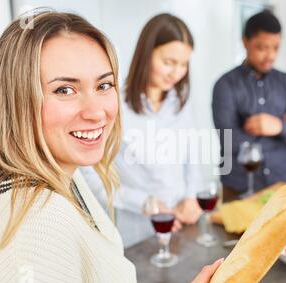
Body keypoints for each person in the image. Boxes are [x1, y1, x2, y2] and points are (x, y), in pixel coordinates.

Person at [0, 11, 261, 283]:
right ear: (17, 100)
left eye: (104, 85)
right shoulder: (36, 229)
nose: (96, 112)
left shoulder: (66, 177)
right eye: (65, 89)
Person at [83, 14, 203, 248]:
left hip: (181, 224)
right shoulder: (114, 103)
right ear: (146, 54)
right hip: (138, 231)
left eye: (183, 64)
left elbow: (192, 155)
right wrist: (144, 203)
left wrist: (191, 196)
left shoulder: (180, 102)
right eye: (169, 62)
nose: (176, 73)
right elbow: (89, 175)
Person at [212, 10, 286, 202]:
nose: (270, 55)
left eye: (275, 47)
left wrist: (277, 125)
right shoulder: (225, 85)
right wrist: (284, 128)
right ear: (245, 42)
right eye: (262, 48)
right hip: (237, 190)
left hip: (281, 188)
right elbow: (229, 141)